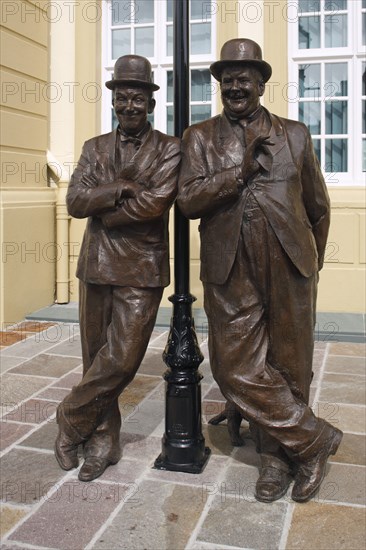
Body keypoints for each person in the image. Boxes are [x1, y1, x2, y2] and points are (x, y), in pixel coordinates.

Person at [177, 39, 342, 503]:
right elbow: (188, 201)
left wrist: (311, 262)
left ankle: (277, 458)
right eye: (227, 78)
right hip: (230, 265)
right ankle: (315, 439)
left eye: (243, 77)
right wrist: (239, 174)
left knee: (291, 364)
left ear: (262, 83)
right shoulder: (200, 137)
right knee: (232, 367)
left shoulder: (296, 134)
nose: (234, 85)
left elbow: (318, 206)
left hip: (290, 262)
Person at [54, 55, 180, 482]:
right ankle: (103, 440)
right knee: (96, 360)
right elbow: (74, 202)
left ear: (150, 103)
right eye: (122, 98)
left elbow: (155, 204)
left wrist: (103, 207)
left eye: (137, 99)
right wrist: (120, 188)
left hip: (142, 268)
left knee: (122, 359)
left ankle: (70, 415)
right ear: (113, 101)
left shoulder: (170, 148)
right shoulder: (93, 148)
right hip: (96, 266)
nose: (129, 106)